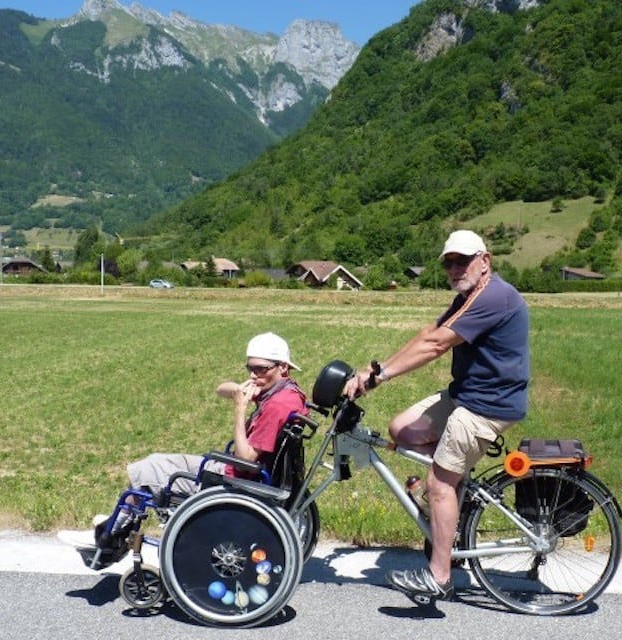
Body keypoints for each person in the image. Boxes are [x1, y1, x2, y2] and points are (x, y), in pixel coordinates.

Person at [343, 229, 529, 602]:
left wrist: (379, 377)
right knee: (402, 429)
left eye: (463, 260)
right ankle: (449, 512)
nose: (455, 268)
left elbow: (436, 345)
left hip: (485, 407)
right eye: (449, 262)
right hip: (466, 396)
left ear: (485, 261)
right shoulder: (469, 295)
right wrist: (374, 369)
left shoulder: (495, 297)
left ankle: (440, 574)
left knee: (439, 483)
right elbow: (429, 332)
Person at [60, 332, 307, 566]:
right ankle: (114, 528)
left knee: (149, 470)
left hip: (236, 477)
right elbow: (220, 389)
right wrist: (238, 391)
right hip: (241, 472)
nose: (254, 375)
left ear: (282, 366)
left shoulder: (276, 405)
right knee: (155, 462)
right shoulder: (287, 393)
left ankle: (107, 537)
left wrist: (240, 409)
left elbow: (246, 456)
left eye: (260, 369)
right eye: (249, 368)